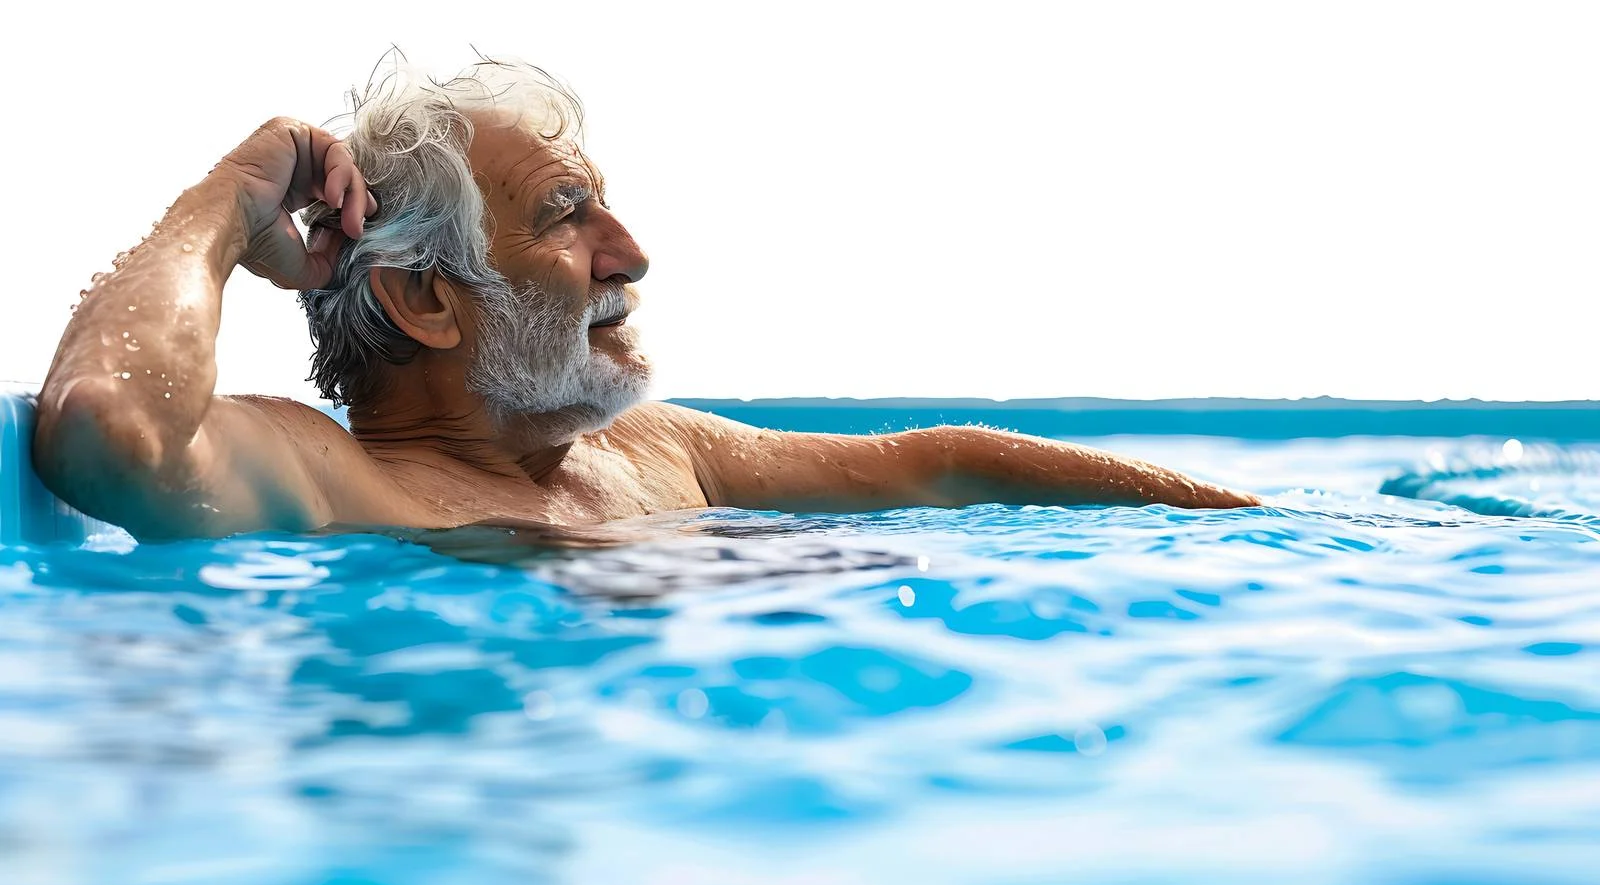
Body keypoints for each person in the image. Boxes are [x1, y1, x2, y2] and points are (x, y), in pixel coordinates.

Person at [33, 56, 1257, 542]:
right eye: (567, 214)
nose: (631, 253)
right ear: (426, 300)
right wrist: (229, 196)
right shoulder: (329, 479)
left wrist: (1252, 517)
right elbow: (107, 423)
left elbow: (940, 464)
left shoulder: (651, 454)